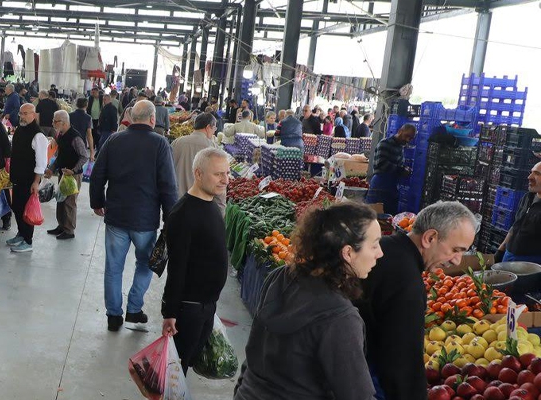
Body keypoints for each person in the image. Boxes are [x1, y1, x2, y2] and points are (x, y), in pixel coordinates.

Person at [235, 203, 383, 400]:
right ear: (347, 253)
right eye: (374, 245)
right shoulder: (339, 318)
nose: (380, 253)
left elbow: (253, 351)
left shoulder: (281, 277)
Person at [356, 201, 477, 400]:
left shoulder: (383, 248)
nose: (457, 260)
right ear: (430, 238)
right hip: (368, 377)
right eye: (456, 249)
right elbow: (402, 361)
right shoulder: (407, 283)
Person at [90, 101, 178, 331]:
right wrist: (171, 218)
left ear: (130, 116)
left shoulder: (114, 140)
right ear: (152, 119)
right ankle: (134, 309)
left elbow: (98, 173)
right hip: (145, 220)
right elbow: (168, 185)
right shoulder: (160, 144)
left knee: (113, 267)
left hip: (116, 217)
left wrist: (97, 202)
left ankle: (113, 316)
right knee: (145, 264)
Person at [161, 148, 232, 375]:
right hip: (189, 310)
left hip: (207, 306)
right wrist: (170, 313)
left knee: (186, 365)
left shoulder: (211, 205)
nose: (225, 179)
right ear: (198, 174)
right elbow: (177, 268)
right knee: (176, 369)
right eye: (218, 174)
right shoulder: (183, 215)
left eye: (227, 173)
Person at [5, 104, 49, 253]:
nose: (22, 116)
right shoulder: (19, 130)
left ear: (33, 115)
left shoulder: (39, 135)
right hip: (17, 178)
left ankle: (28, 241)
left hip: (29, 180)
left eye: (25, 114)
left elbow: (42, 162)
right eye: (21, 114)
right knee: (17, 208)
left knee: (27, 210)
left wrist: (36, 182)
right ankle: (21, 234)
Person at [46, 110, 89, 240]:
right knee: (60, 199)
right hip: (63, 173)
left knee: (69, 202)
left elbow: (84, 156)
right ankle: (61, 225)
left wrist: (74, 170)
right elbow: (60, 156)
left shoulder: (75, 137)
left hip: (73, 176)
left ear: (64, 122)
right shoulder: (60, 135)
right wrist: (52, 168)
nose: (52, 123)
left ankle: (69, 230)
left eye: (55, 121)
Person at [366, 124, 416, 213]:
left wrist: (404, 170)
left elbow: (397, 166)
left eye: (411, 138)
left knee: (388, 220)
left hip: (392, 188)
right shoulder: (385, 143)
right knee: (373, 216)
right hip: (380, 185)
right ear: (400, 131)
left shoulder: (400, 147)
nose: (408, 140)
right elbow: (381, 164)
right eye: (406, 136)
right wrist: (401, 170)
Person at [499, 162, 541, 263]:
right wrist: (501, 250)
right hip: (509, 255)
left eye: (537, 174)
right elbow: (515, 226)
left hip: (531, 263)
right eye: (531, 172)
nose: (529, 177)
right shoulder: (527, 197)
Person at [172, 113, 218, 199]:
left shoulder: (177, 142)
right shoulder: (212, 147)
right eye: (214, 128)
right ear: (208, 127)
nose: (214, 131)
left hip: (177, 198)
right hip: (200, 200)